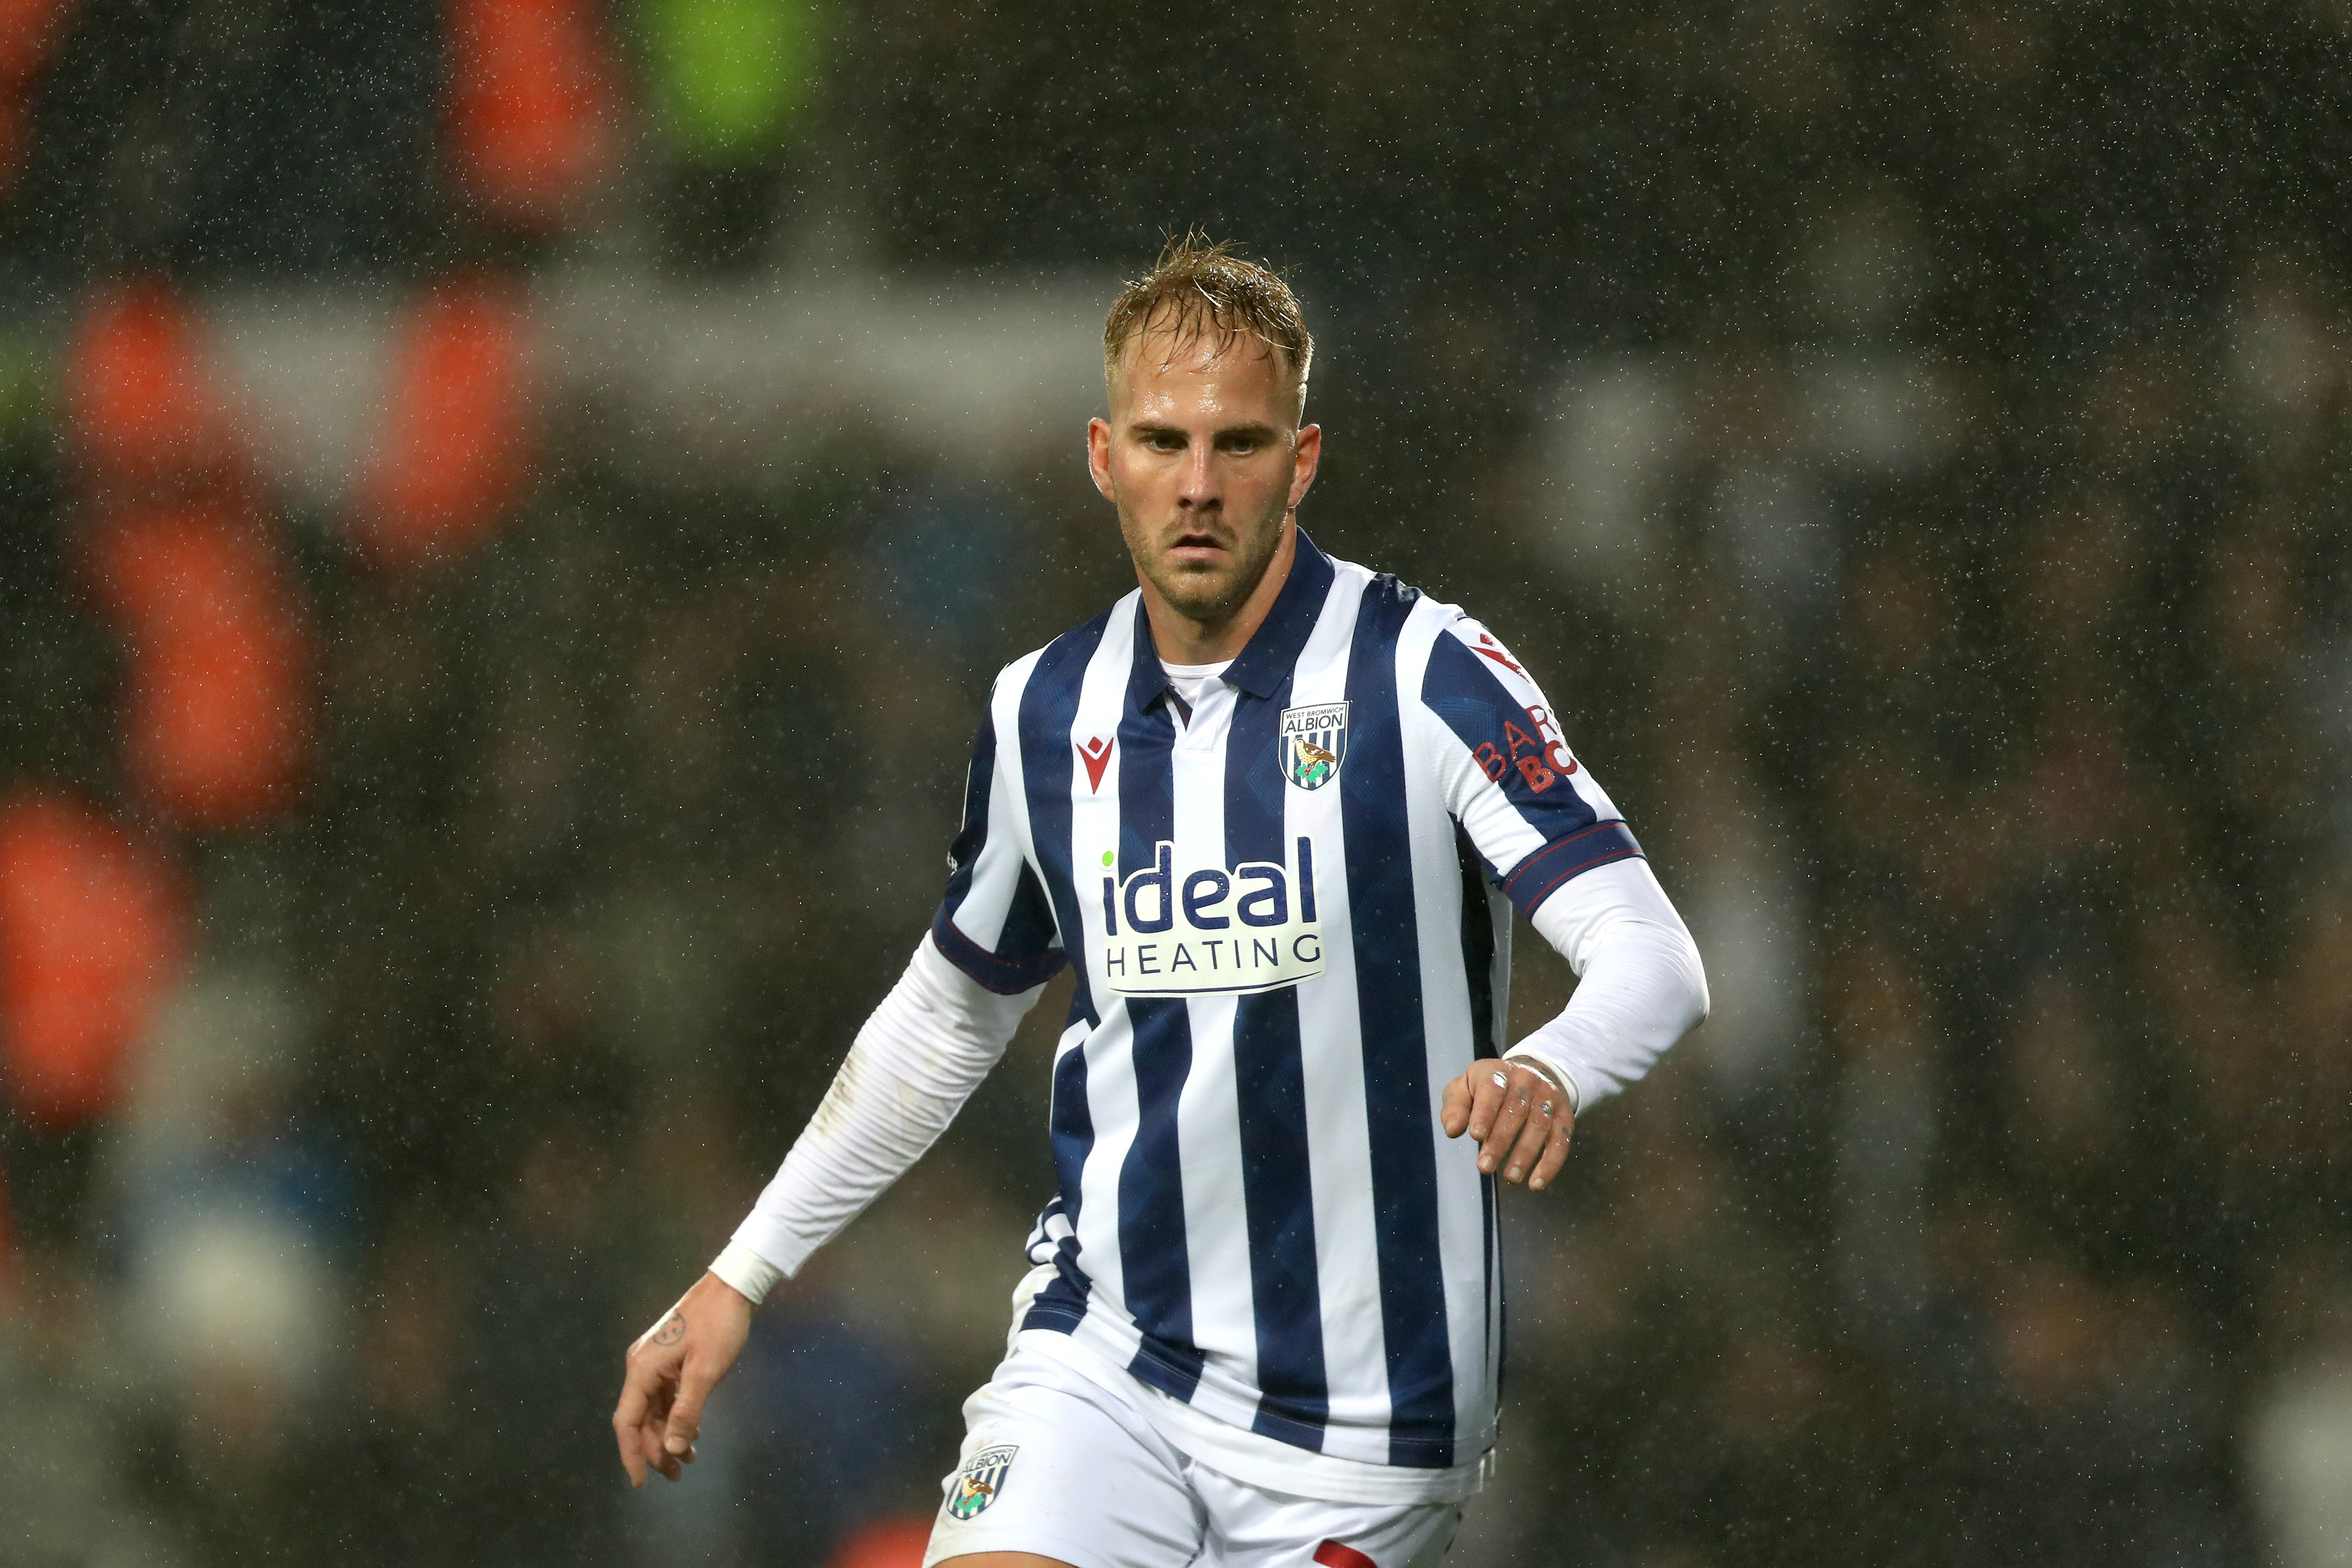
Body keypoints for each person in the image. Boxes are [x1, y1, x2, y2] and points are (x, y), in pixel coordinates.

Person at [613, 236, 1710, 1568]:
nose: (1197, 485)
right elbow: (953, 1011)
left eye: (1238, 444)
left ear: (1300, 462)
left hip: (1361, 1421)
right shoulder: (1043, 707)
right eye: (1161, 440)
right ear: (1102, 455)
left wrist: (1552, 1064)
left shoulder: (1426, 673)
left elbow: (1650, 953)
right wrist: (741, 1273)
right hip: (1109, 1356)